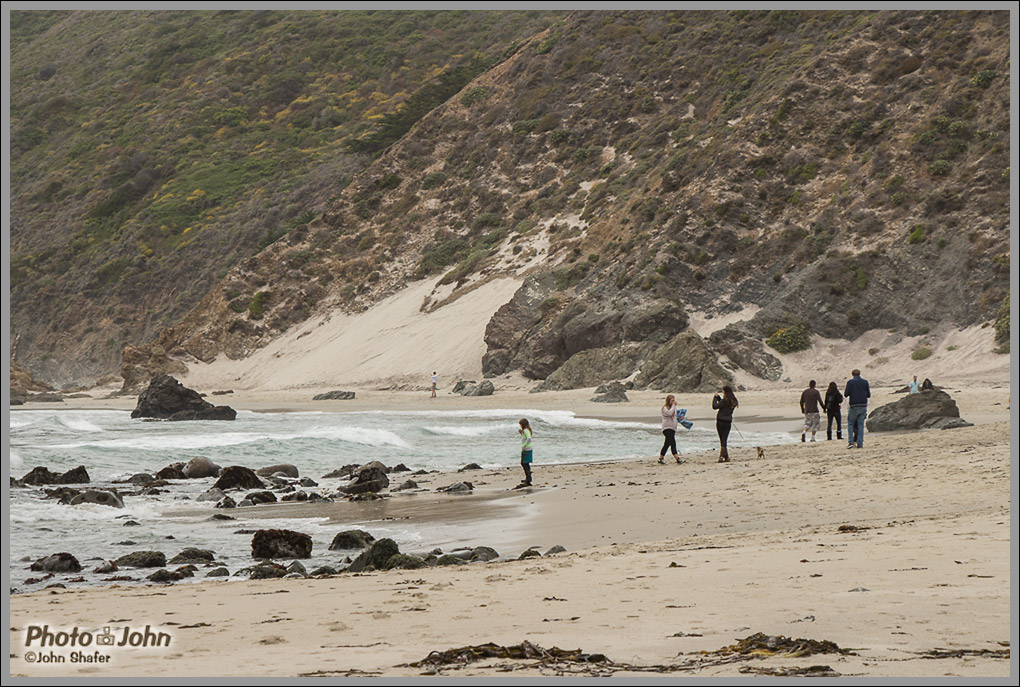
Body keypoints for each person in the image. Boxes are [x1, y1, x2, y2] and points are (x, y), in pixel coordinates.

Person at [844, 369, 871, 449]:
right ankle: (860, 442)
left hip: (854, 405)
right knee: (861, 425)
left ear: (852, 374)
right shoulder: (865, 382)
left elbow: (846, 394)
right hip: (863, 404)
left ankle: (851, 441)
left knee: (850, 423)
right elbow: (868, 394)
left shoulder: (850, 382)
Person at [712, 386, 738, 463]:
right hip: (728, 422)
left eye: (723, 391)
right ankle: (726, 457)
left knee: (722, 439)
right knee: (724, 439)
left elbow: (715, 406)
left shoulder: (724, 401)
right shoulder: (733, 401)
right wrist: (719, 398)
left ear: (725, 392)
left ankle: (721, 456)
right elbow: (724, 405)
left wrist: (715, 398)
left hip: (720, 421)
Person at [659, 395, 682, 464]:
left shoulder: (673, 408)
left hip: (672, 428)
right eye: (672, 401)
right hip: (667, 428)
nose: (673, 402)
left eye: (674, 400)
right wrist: (674, 406)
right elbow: (669, 413)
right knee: (673, 443)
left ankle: (661, 458)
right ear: (668, 401)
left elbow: (674, 415)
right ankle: (677, 458)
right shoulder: (665, 408)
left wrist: (679, 418)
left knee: (667, 444)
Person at [518, 418, 534, 487]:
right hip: (527, 449)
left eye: (520, 424)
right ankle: (528, 477)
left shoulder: (526, 430)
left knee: (524, 463)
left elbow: (529, 438)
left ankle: (528, 478)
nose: (520, 426)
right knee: (525, 464)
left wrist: (524, 446)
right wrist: (521, 433)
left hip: (526, 449)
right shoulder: (525, 431)